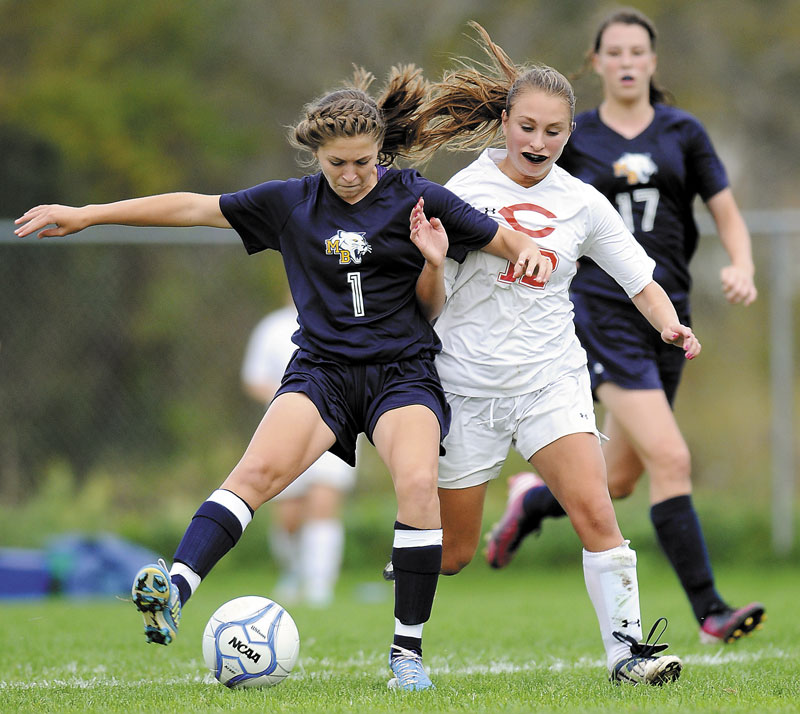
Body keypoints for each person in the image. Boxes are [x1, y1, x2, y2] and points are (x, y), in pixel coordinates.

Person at [15, 64, 552, 691]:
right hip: (321, 373)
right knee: (253, 476)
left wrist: (529, 253)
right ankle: (177, 590)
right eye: (336, 165)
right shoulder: (289, 205)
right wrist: (90, 214)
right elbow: (193, 207)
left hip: (401, 374)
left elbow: (505, 240)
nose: (351, 176)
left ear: (381, 150)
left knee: (416, 483)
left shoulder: (418, 197)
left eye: (363, 162)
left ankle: (406, 654)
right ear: (315, 158)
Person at [399, 22, 700, 685]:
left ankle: (628, 657)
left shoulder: (581, 203)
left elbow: (640, 280)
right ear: (505, 121)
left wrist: (670, 325)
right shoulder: (463, 195)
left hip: (549, 381)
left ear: (570, 134)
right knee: (452, 554)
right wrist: (431, 266)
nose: (538, 142)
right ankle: (409, 576)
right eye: (527, 127)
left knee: (596, 512)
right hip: (466, 386)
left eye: (554, 131)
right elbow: (429, 306)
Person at [484, 8, 765, 646]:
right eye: (616, 52)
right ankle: (710, 613)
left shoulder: (683, 132)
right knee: (672, 456)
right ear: (598, 62)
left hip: (667, 313)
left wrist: (742, 265)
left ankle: (531, 503)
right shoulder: (573, 137)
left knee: (619, 479)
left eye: (639, 51)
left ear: (653, 61)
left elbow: (725, 211)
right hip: (601, 312)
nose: (628, 61)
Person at [241, 297, 357, 608]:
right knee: (289, 518)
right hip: (285, 431)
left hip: (335, 424)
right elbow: (253, 378)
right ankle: (293, 571)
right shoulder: (273, 326)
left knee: (323, 501)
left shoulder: (342, 317)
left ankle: (320, 586)